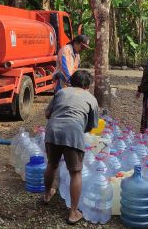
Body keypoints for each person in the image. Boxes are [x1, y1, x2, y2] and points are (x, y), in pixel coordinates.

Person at [42, 70, 99, 225]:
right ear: (87, 85)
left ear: (71, 82)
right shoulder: (91, 99)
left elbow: (47, 114)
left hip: (52, 130)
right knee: (75, 172)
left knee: (52, 164)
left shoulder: (61, 92)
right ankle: (73, 213)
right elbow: (91, 126)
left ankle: (47, 194)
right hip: (73, 132)